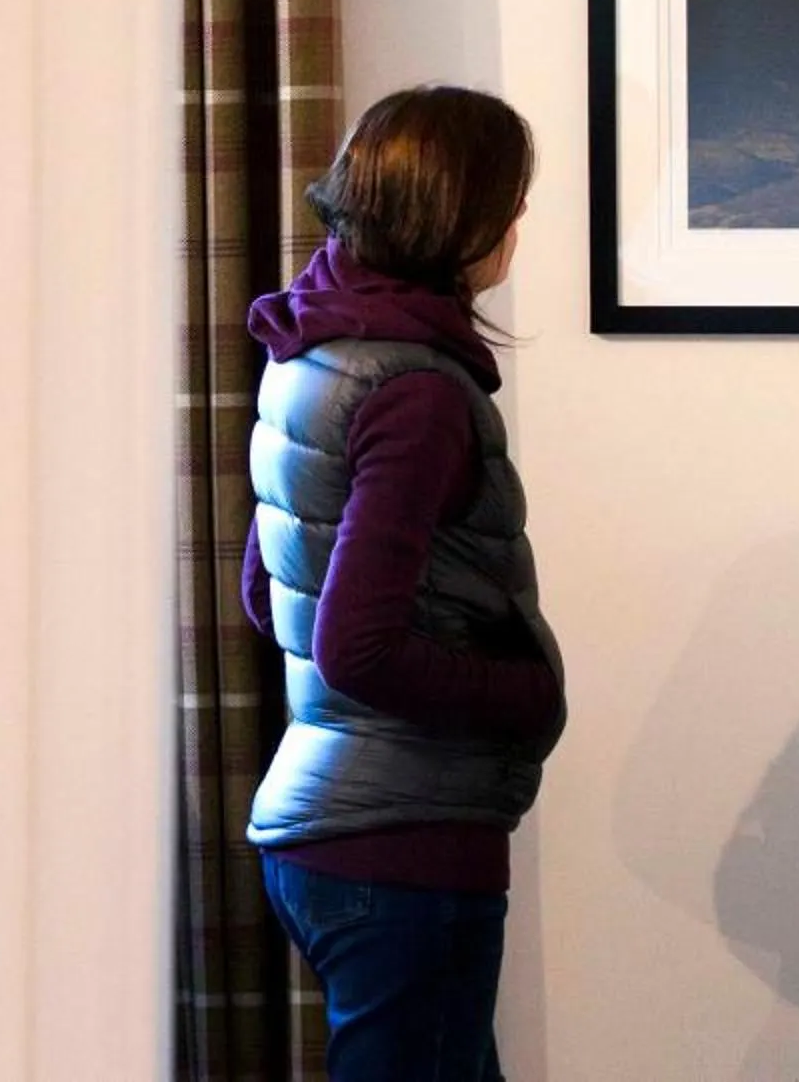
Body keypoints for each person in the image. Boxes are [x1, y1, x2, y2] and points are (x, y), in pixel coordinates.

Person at [239, 84, 566, 1082]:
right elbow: (358, 647)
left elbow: (270, 591)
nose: (518, 224)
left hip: (337, 833)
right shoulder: (417, 390)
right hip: (402, 847)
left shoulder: (318, 348)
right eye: (511, 201)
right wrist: (526, 694)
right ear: (463, 219)